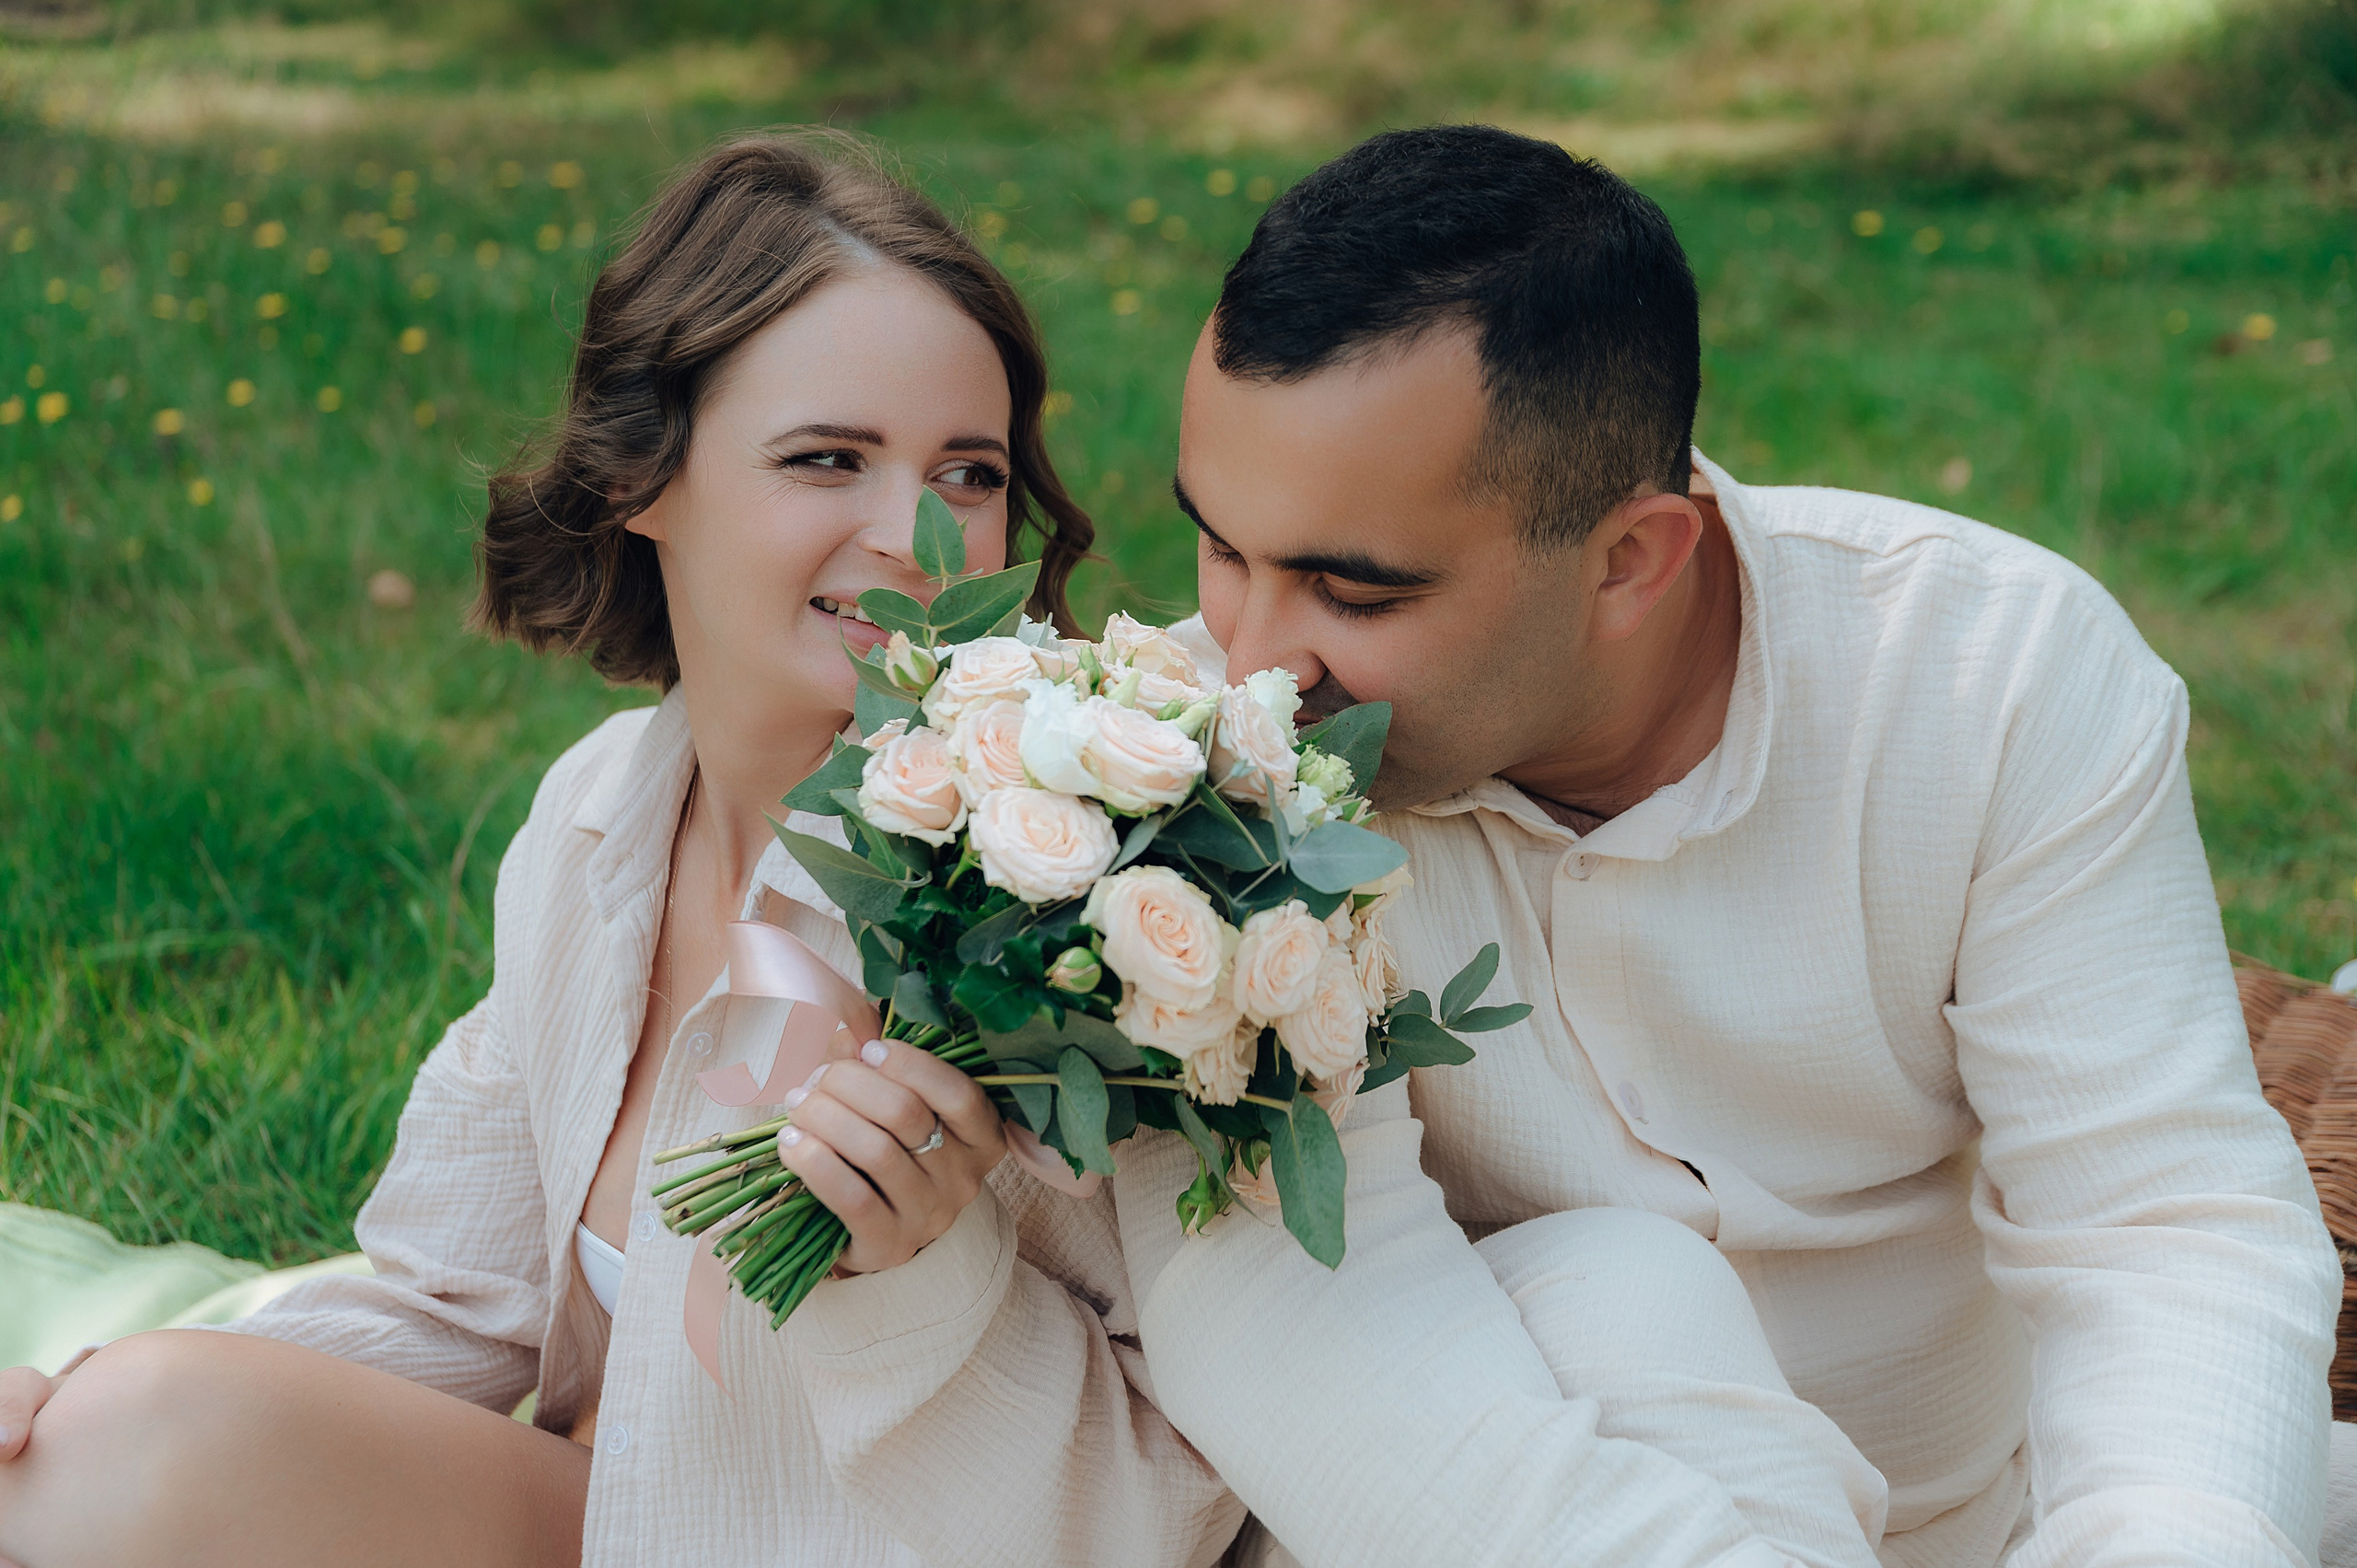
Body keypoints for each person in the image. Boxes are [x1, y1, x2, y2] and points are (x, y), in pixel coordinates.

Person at [0, 132, 1244, 1568]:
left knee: (145, 1444)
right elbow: (450, 1306)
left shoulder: (1077, 900)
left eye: (965, 473)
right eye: (826, 457)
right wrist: (69, 1415)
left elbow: (1176, 1506)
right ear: (643, 478)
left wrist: (934, 1281)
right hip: (611, 1522)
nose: (915, 536)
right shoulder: (599, 816)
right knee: (103, 1449)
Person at [1109, 124, 2342, 1567]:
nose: (1254, 664)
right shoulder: (1177, 791)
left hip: (2002, 1520)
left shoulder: (1991, 677)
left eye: (1352, 591)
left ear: (1633, 559)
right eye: (1220, 546)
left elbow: (2158, 1224)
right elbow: (1280, 1327)